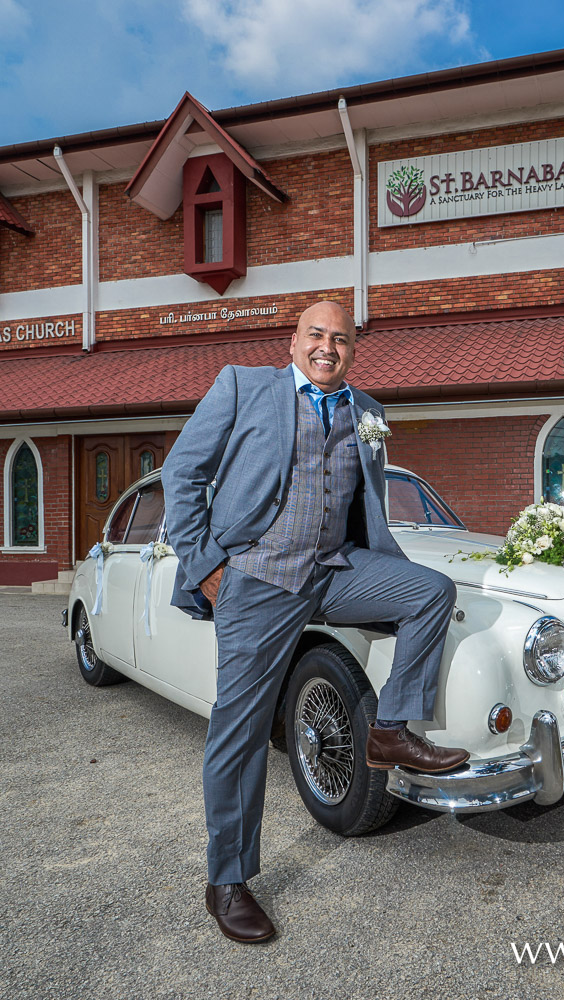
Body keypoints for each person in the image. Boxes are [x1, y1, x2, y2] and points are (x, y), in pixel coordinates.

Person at [162, 300, 469, 943]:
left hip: (335, 569)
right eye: (317, 335)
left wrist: (380, 557)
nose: (329, 347)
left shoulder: (368, 411)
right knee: (240, 732)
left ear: (353, 349)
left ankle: (388, 731)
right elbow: (183, 473)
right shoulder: (243, 385)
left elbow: (367, 504)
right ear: (294, 341)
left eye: (342, 339)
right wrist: (208, 566)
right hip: (260, 580)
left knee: (431, 591)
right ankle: (228, 880)